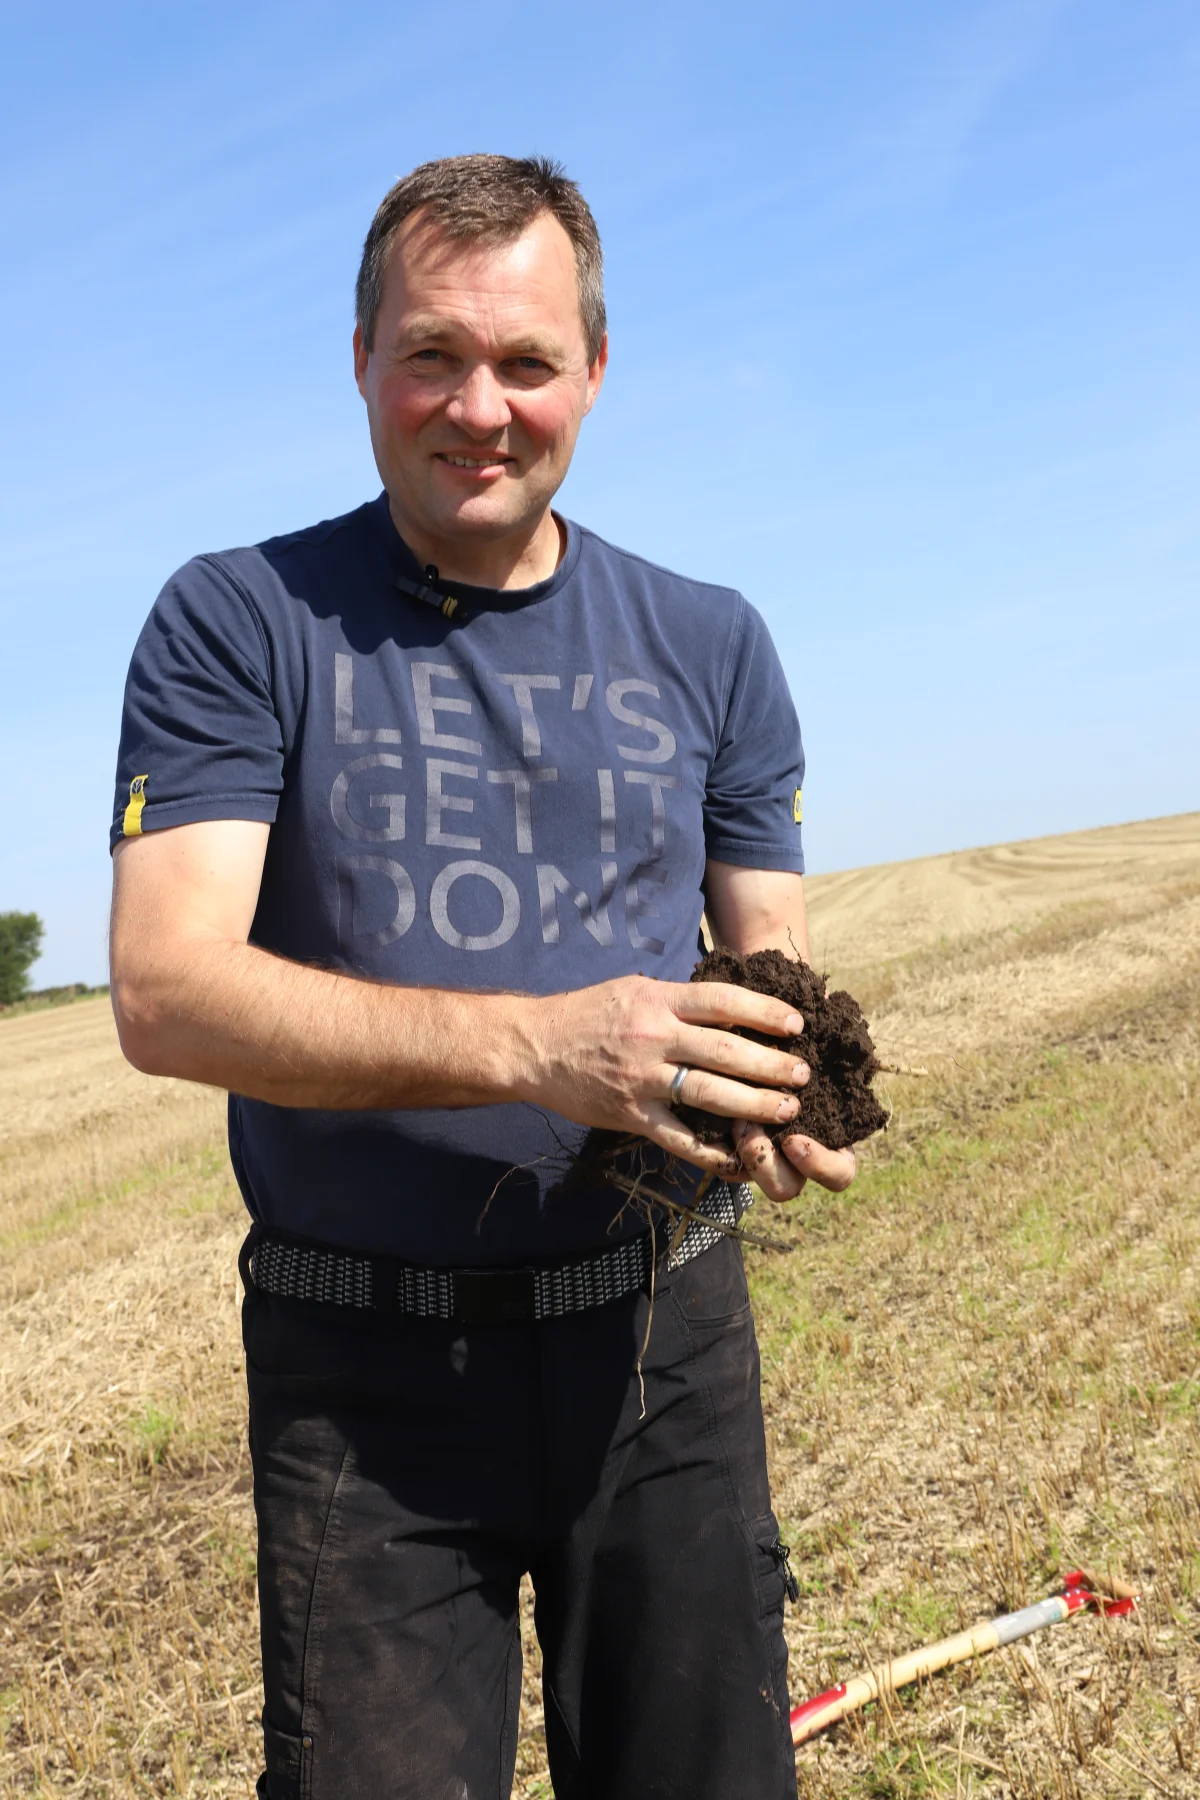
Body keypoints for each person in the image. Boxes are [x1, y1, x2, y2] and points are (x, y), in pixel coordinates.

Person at [109, 153, 856, 1800]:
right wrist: (540, 1049)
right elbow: (166, 991)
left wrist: (788, 1096)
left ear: (594, 370)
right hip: (363, 1377)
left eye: (526, 362)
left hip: (663, 1347)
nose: (481, 406)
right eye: (433, 354)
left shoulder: (711, 639)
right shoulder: (241, 621)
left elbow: (773, 963)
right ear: (362, 358)